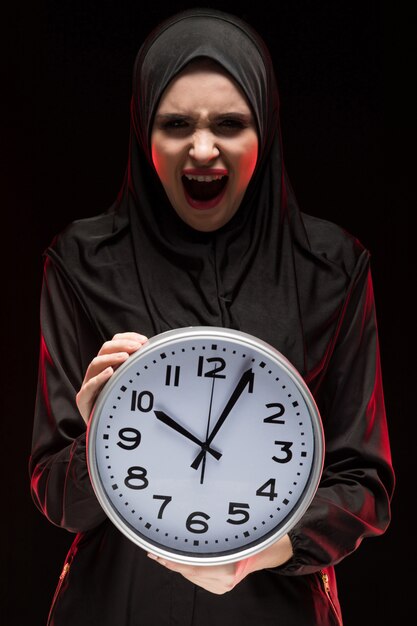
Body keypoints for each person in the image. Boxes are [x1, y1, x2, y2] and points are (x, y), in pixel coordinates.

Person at [29, 8, 394, 626]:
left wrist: (262, 551)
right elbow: (57, 497)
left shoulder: (333, 267)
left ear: (265, 132)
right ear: (144, 133)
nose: (202, 148)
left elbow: (366, 486)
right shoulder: (79, 262)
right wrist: (101, 438)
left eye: (229, 122)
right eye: (175, 124)